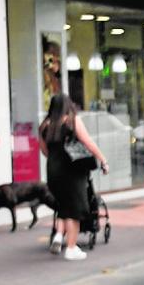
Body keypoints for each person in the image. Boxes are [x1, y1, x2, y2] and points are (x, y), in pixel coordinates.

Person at [39, 94, 108, 260]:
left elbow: (44, 151)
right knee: (74, 210)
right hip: (72, 170)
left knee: (63, 206)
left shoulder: (44, 126)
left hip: (53, 171)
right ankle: (71, 247)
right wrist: (103, 159)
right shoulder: (72, 121)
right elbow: (88, 142)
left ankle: (58, 235)